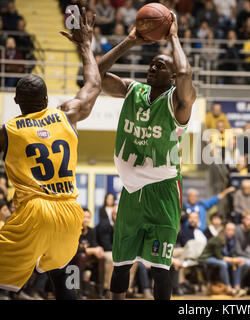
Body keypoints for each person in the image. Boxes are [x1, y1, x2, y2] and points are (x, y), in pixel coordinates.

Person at [0, 8, 100, 299]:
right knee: (63, 270)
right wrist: (84, 45)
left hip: (34, 211)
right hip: (70, 213)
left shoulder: (9, 130)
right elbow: (93, 85)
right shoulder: (66, 115)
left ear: (16, 101)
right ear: (46, 100)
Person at [98, 13, 196, 300]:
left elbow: (187, 77)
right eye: (152, 63)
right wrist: (128, 42)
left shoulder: (178, 102)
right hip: (130, 192)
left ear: (172, 75)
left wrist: (174, 37)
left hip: (163, 191)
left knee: (160, 269)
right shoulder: (133, 91)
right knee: (121, 264)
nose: (153, 67)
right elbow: (93, 75)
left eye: (161, 65)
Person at [198, 222, 247, 297]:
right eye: (229, 230)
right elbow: (219, 257)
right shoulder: (219, 239)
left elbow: (231, 254)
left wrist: (236, 260)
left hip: (217, 258)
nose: (231, 232)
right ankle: (229, 288)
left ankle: (237, 287)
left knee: (236, 263)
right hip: (206, 258)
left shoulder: (232, 240)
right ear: (225, 230)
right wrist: (233, 260)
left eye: (233, 230)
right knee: (223, 264)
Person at [73, 208, 105, 298]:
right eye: (84, 217)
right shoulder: (75, 231)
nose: (86, 219)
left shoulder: (91, 231)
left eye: (88, 217)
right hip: (76, 259)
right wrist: (91, 250)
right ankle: (79, 291)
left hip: (88, 258)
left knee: (101, 258)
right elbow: (76, 249)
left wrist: (99, 248)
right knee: (82, 256)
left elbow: (94, 244)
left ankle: (99, 290)